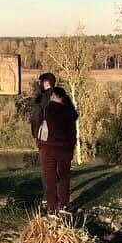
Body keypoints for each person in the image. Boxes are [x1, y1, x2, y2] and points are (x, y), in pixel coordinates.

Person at [38, 86, 78, 214]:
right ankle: (64, 204)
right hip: (65, 149)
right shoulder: (70, 112)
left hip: (48, 148)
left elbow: (38, 125)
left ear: (54, 96)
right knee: (64, 177)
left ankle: (52, 206)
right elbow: (73, 133)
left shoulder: (47, 109)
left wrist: (40, 143)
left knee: (50, 177)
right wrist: (72, 147)